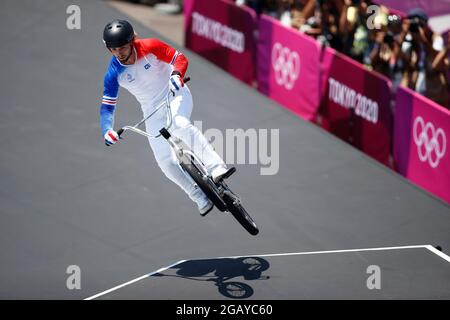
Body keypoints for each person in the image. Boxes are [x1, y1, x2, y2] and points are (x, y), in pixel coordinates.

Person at [99, 19, 233, 215]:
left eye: (122, 47)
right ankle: (198, 196)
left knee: (179, 124)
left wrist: (177, 75)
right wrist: (107, 130)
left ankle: (216, 167)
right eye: (113, 49)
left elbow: (180, 59)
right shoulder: (113, 74)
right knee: (164, 161)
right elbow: (106, 108)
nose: (119, 53)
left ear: (132, 41)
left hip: (174, 92)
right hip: (151, 110)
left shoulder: (150, 46)